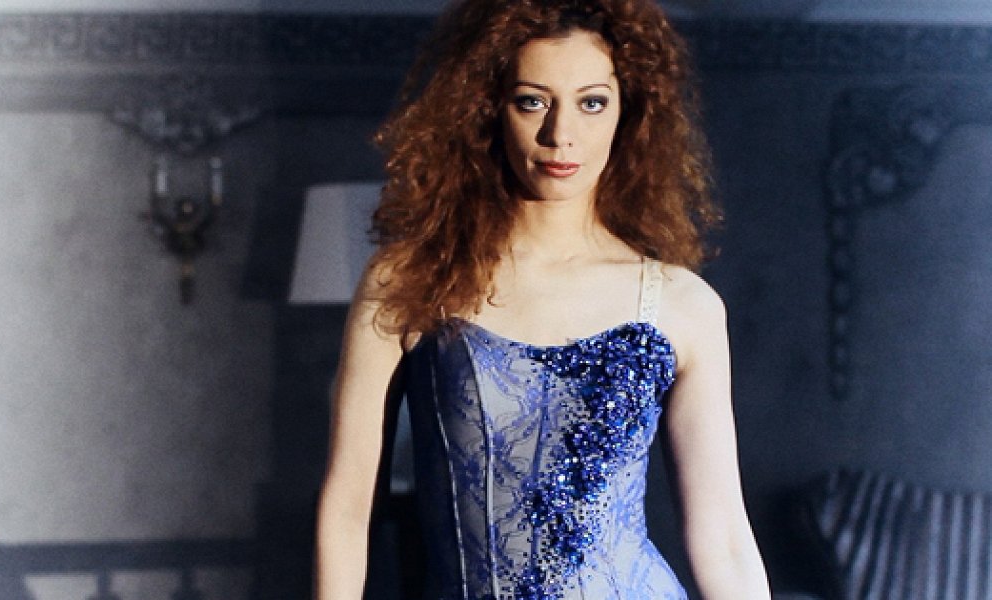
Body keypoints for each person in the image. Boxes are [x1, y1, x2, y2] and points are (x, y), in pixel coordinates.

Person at [315, 0, 770, 597]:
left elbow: (725, 540)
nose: (561, 134)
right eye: (532, 101)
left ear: (628, 112)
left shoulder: (683, 305)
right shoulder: (409, 280)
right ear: (487, 108)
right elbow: (347, 509)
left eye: (592, 102)